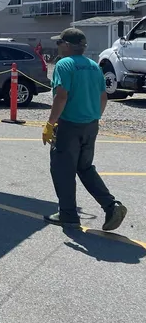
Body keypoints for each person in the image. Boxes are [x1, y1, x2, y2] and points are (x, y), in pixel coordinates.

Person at [42, 27, 127, 230]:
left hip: (70, 125)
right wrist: (94, 117)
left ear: (68, 45)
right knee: (85, 168)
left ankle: (68, 214)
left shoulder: (64, 64)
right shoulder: (93, 66)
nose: (58, 46)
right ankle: (111, 206)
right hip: (91, 125)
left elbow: (61, 96)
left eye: (59, 43)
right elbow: (103, 97)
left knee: (63, 169)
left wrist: (50, 124)